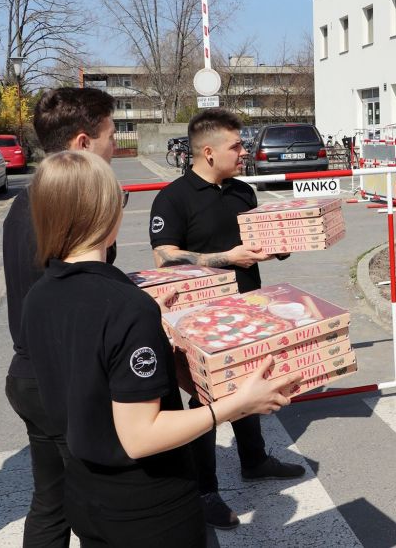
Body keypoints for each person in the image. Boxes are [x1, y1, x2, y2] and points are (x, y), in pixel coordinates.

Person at [23, 151, 297, 547]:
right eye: (120, 198)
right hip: (149, 507)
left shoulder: (41, 294)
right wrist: (237, 404)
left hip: (84, 490)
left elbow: (87, 368)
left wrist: (153, 329)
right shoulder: (125, 306)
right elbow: (140, 436)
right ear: (104, 214)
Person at [148, 108, 304, 530]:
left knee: (249, 383)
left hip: (249, 308)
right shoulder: (173, 198)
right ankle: (204, 492)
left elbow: (256, 242)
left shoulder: (242, 192)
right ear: (208, 151)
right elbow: (163, 257)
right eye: (236, 146)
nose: (245, 152)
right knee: (206, 402)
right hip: (199, 320)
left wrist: (278, 242)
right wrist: (224, 259)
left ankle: (254, 460)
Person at [3, 87, 118, 548]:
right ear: (84, 143)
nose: (116, 147)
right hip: (65, 380)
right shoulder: (64, 210)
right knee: (99, 506)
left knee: (51, 503)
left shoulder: (28, 201)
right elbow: (81, 304)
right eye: (112, 135)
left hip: (31, 374)